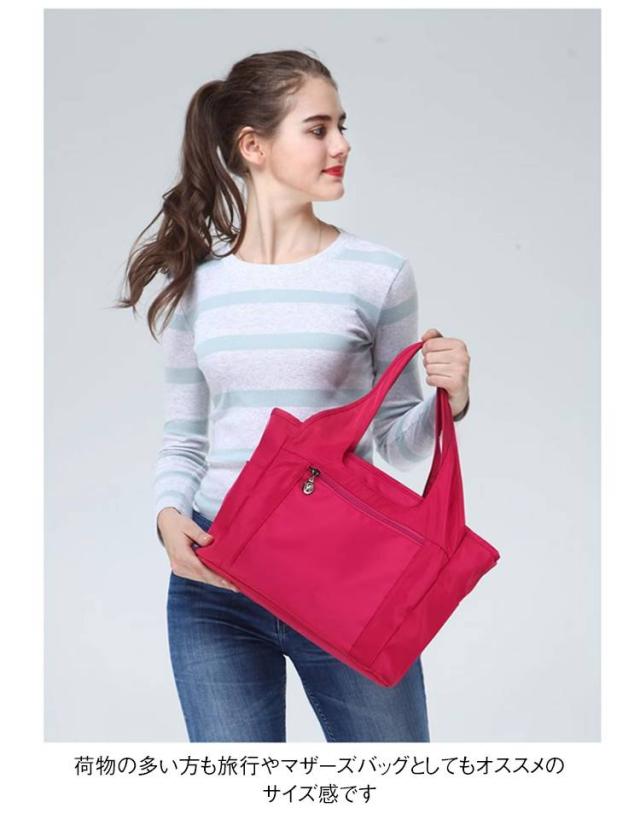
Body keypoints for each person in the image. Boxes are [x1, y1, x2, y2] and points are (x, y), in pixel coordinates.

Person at [117, 49, 470, 742]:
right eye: (318, 129)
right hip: (213, 581)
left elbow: (395, 438)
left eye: (342, 126)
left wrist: (446, 401)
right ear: (253, 146)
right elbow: (185, 437)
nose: (341, 146)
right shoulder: (198, 286)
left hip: (340, 575)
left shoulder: (377, 273)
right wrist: (166, 516)